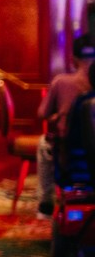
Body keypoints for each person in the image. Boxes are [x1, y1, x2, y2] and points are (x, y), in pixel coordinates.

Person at [35, 32, 95, 216]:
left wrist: (59, 115)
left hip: (71, 159)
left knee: (44, 145)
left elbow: (42, 114)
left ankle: (46, 202)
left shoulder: (61, 82)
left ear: (73, 59)